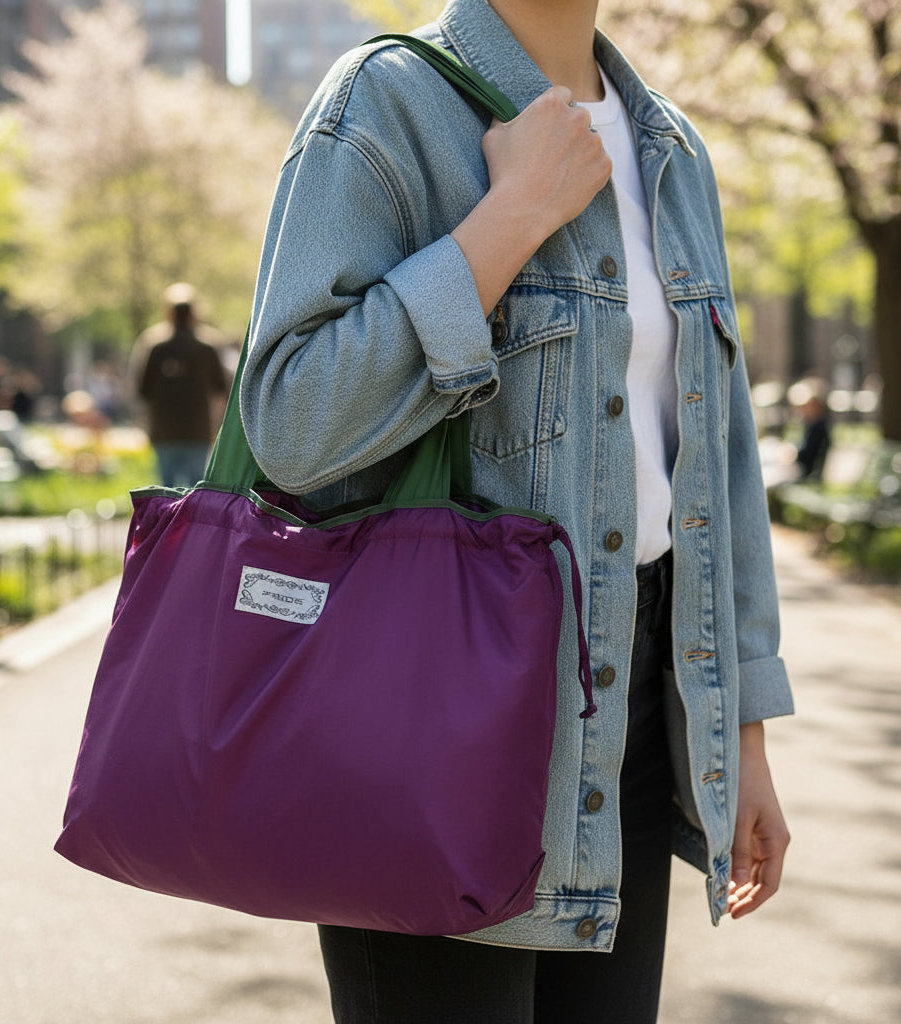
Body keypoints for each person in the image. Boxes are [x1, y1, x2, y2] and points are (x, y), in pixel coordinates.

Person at [239, 1, 793, 1021]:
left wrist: (743, 736)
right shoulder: (385, 107)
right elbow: (291, 418)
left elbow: (717, 460)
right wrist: (507, 220)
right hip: (431, 731)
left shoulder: (669, 145)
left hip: (627, 722)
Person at [130, 283, 231, 488]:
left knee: (166, 490)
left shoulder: (154, 345)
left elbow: (142, 389)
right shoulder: (207, 346)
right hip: (197, 429)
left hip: (164, 430)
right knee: (195, 489)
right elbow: (222, 389)